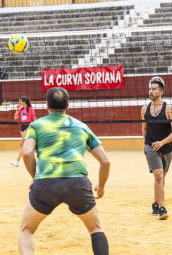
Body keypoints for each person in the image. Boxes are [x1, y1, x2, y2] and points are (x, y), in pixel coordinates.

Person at [19, 87, 111, 255]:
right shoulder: (81, 126)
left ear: (47, 105)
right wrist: (101, 186)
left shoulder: (36, 125)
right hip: (78, 183)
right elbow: (105, 161)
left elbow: (26, 153)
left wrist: (35, 178)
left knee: (27, 230)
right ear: (68, 104)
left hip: (46, 183)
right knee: (96, 229)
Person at [141, 76, 172, 220]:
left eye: (154, 89)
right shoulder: (144, 109)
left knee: (161, 178)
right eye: (150, 89)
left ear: (161, 92)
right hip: (151, 147)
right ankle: (162, 208)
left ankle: (155, 203)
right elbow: (144, 128)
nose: (150, 91)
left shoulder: (170, 109)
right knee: (158, 175)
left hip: (167, 148)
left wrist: (162, 142)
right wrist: (147, 144)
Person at [11, 96, 36, 167]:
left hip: (28, 127)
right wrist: (17, 109)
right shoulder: (21, 109)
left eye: (20, 101)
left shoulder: (30, 109)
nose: (19, 102)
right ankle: (36, 160)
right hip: (22, 127)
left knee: (22, 144)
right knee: (26, 145)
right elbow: (16, 118)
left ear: (24, 102)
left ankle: (17, 161)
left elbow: (34, 119)